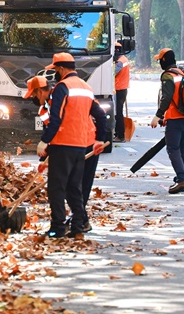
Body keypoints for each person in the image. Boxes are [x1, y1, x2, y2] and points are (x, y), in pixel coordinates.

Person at [36, 53, 106, 238]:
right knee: (74, 188)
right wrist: (99, 139)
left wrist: (45, 141)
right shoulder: (86, 88)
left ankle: (57, 228)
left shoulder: (62, 87)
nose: (55, 74)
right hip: (81, 145)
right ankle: (77, 227)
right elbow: (100, 116)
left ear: (61, 69)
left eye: (55, 70)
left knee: (56, 188)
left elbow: (56, 118)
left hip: (62, 143)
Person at [25, 74, 99, 233]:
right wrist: (45, 155)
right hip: (70, 144)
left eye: (33, 94)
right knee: (70, 186)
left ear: (39, 91)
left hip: (87, 143)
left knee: (78, 186)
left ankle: (78, 222)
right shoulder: (44, 109)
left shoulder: (64, 96)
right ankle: (78, 221)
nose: (32, 98)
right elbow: (53, 131)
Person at [150, 48, 184, 194]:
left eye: (159, 60)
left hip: (175, 118)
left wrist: (158, 115)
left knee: (173, 148)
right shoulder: (181, 73)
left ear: (164, 60)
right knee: (182, 148)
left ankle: (182, 179)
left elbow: (167, 97)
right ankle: (182, 177)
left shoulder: (168, 76)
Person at [114, 42, 130, 142]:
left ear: (117, 50)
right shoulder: (124, 59)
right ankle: (118, 133)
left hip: (119, 89)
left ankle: (120, 135)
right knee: (118, 112)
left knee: (118, 113)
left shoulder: (120, 62)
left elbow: (112, 72)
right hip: (122, 88)